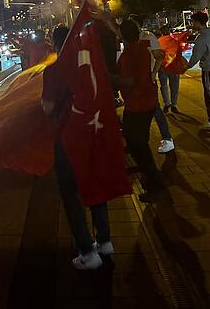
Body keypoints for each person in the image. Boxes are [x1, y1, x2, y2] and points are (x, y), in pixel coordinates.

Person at [47, 24, 111, 271]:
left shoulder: (53, 71)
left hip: (68, 141)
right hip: (92, 134)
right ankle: (104, 241)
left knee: (72, 197)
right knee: (96, 186)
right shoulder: (87, 65)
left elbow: (49, 108)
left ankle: (87, 252)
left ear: (54, 45)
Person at [117, 20, 167, 202]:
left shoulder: (132, 52)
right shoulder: (140, 46)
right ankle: (151, 178)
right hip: (142, 102)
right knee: (136, 142)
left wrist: (108, 78)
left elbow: (129, 80)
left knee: (139, 146)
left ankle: (156, 184)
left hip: (139, 103)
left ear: (122, 35)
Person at [130, 15, 175, 154]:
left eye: (131, 23)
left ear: (137, 24)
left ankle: (167, 139)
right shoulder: (131, 38)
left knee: (154, 108)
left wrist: (153, 73)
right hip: (136, 80)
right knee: (139, 110)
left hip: (147, 79)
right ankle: (142, 139)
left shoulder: (148, 37)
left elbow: (159, 57)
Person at [157, 26, 180, 114]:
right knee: (174, 86)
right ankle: (173, 104)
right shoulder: (174, 40)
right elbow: (178, 52)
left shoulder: (159, 41)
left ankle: (167, 104)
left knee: (164, 86)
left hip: (163, 66)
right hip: (172, 66)